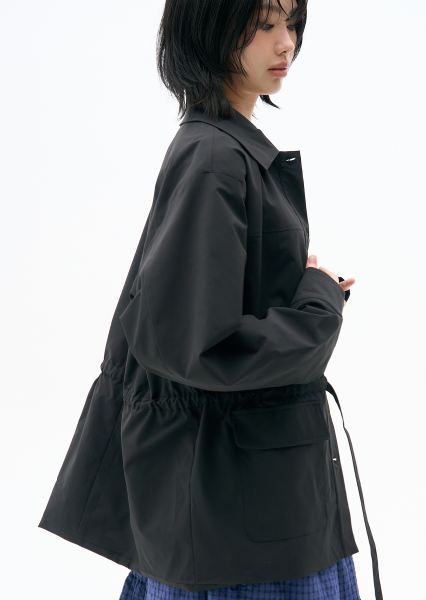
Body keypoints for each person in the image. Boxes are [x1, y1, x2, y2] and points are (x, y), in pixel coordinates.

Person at [38, 1, 382, 598]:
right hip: (242, 530)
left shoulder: (225, 149)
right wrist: (320, 300)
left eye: (292, 23)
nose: (286, 43)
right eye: (264, 24)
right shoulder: (216, 158)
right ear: (210, 29)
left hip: (246, 507)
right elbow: (200, 347)